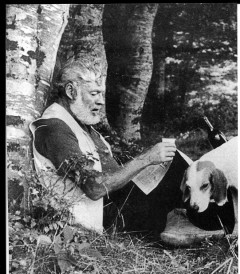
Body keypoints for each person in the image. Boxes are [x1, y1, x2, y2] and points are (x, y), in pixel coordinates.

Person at [29, 59, 233, 240]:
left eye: (101, 94)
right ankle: (218, 221)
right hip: (104, 220)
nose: (101, 102)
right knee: (175, 167)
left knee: (173, 160)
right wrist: (145, 159)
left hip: (115, 203)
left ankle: (194, 220)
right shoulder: (54, 129)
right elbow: (94, 188)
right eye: (94, 94)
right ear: (71, 91)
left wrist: (150, 164)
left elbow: (107, 171)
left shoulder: (76, 123)